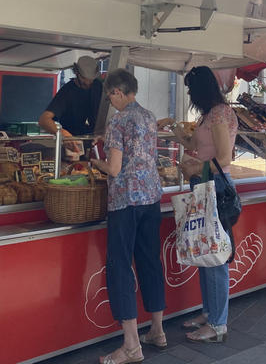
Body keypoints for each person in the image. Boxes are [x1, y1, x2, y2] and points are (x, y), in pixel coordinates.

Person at [92, 69, 165, 364]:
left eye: (110, 95)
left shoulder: (118, 120)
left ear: (118, 92)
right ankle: (158, 330)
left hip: (125, 202)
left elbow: (114, 169)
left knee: (120, 266)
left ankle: (132, 345)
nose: (110, 100)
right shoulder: (148, 116)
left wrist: (94, 160)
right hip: (151, 198)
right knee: (150, 261)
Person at [170, 66, 239, 343]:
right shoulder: (209, 114)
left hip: (215, 187)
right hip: (204, 185)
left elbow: (224, 158)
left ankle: (218, 323)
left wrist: (195, 168)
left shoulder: (220, 114)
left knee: (214, 257)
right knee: (204, 252)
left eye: (190, 89)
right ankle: (209, 312)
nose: (188, 94)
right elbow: (202, 146)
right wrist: (182, 139)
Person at [38, 55, 102, 136]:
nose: (87, 83)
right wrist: (63, 134)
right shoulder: (67, 91)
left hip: (96, 138)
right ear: (76, 72)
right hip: (72, 138)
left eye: (91, 79)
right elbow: (44, 120)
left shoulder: (98, 86)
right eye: (83, 78)